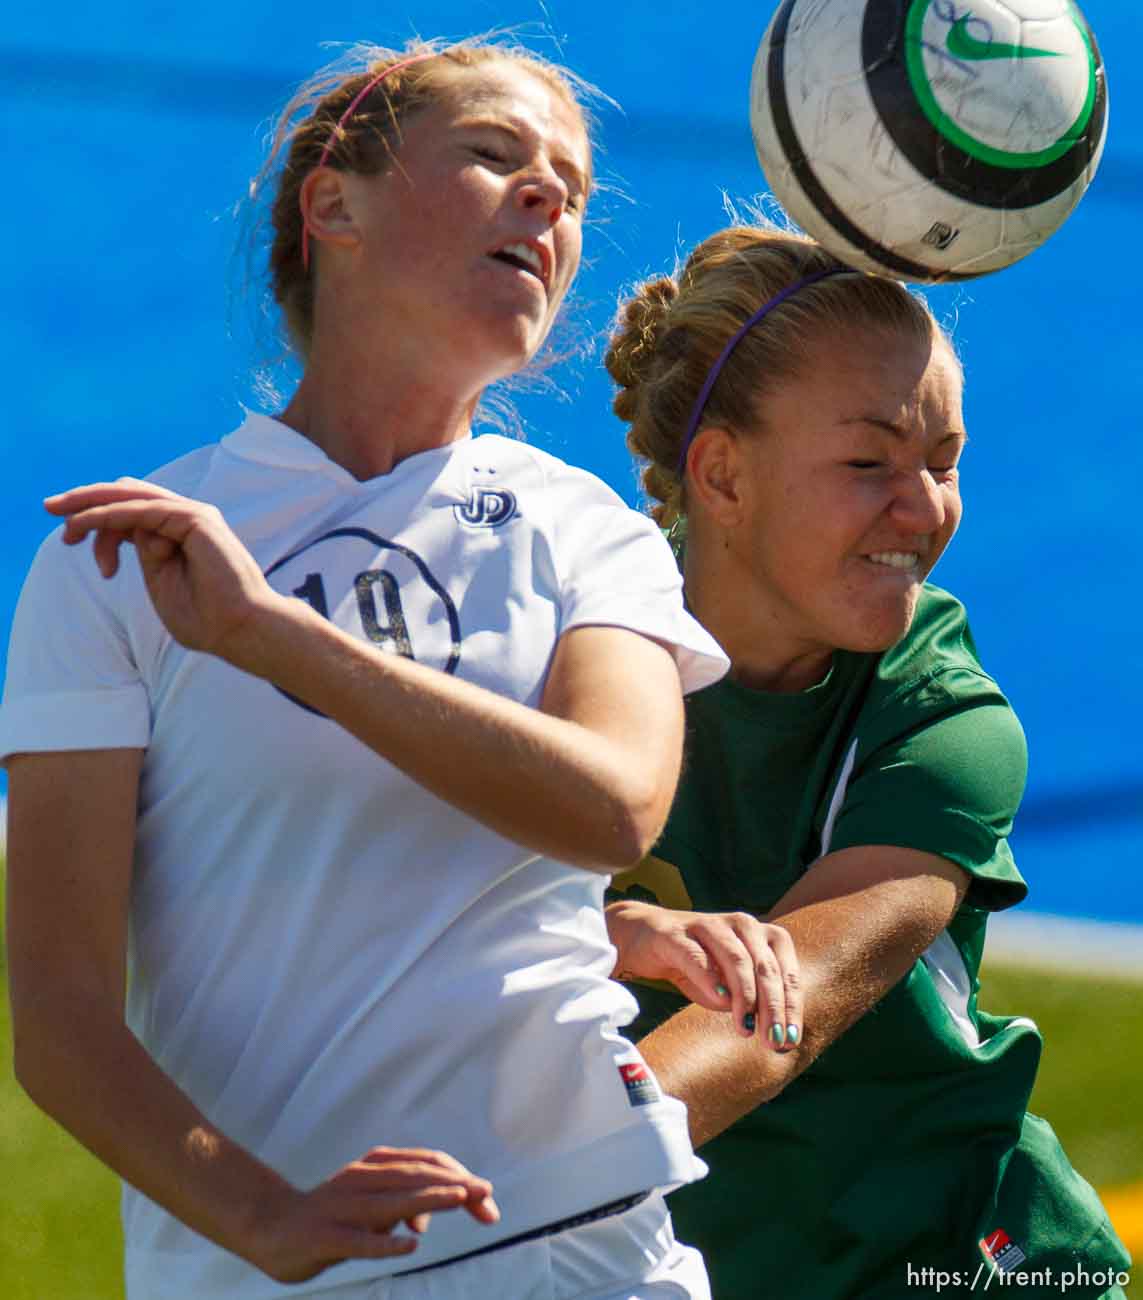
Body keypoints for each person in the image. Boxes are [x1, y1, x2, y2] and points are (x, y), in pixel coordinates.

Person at [0, 44, 801, 1300]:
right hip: (255, 1272)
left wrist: (276, 638)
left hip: (582, 1244)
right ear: (334, 204)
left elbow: (613, 805)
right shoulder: (117, 558)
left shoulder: (586, 529)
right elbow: (57, 1018)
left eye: (573, 188)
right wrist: (264, 1217)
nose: (548, 198)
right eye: (494, 154)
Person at [603, 225, 1133, 1299]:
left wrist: (517, 1180)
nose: (925, 508)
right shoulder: (569, 651)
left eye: (944, 463)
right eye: (869, 462)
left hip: (968, 1268)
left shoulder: (942, 715)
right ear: (722, 475)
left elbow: (779, 1005)